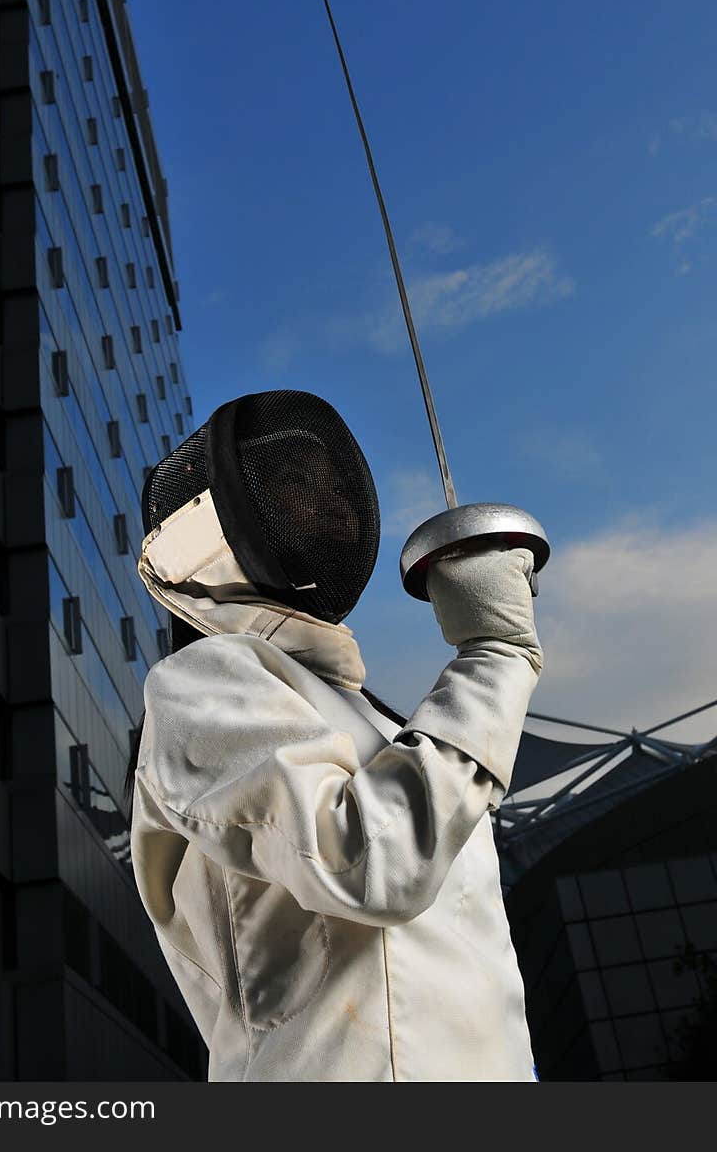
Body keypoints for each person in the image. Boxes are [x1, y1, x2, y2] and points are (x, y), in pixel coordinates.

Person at [126, 389, 543, 1082]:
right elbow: (365, 858)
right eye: (297, 482)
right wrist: (496, 658)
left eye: (334, 485)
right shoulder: (201, 687)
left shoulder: (376, 724)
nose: (335, 503)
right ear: (210, 529)